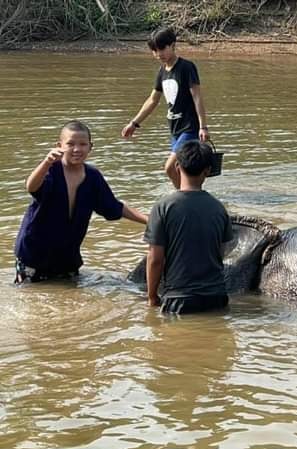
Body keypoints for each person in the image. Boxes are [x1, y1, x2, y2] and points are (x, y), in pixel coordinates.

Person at [14, 121, 148, 284]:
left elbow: (115, 207)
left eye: (83, 144)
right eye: (70, 144)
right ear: (59, 146)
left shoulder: (93, 177)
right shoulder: (51, 170)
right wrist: (46, 162)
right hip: (34, 254)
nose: (77, 149)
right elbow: (32, 187)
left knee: (68, 304)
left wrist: (149, 221)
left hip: (67, 257)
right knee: (31, 300)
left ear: (90, 147)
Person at [144, 140, 234, 315]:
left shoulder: (163, 207)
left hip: (178, 298)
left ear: (177, 166)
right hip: (216, 297)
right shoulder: (218, 208)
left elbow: (155, 259)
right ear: (208, 171)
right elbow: (222, 252)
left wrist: (152, 296)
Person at [121, 26, 209, 188]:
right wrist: (134, 123)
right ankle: (190, 195)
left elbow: (197, 97)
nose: (158, 54)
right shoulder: (162, 71)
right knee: (180, 169)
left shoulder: (186, 67)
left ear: (172, 45)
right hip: (175, 128)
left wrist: (203, 127)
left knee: (169, 168)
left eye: (162, 48)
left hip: (189, 128)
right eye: (154, 50)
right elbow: (152, 100)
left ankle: (184, 197)